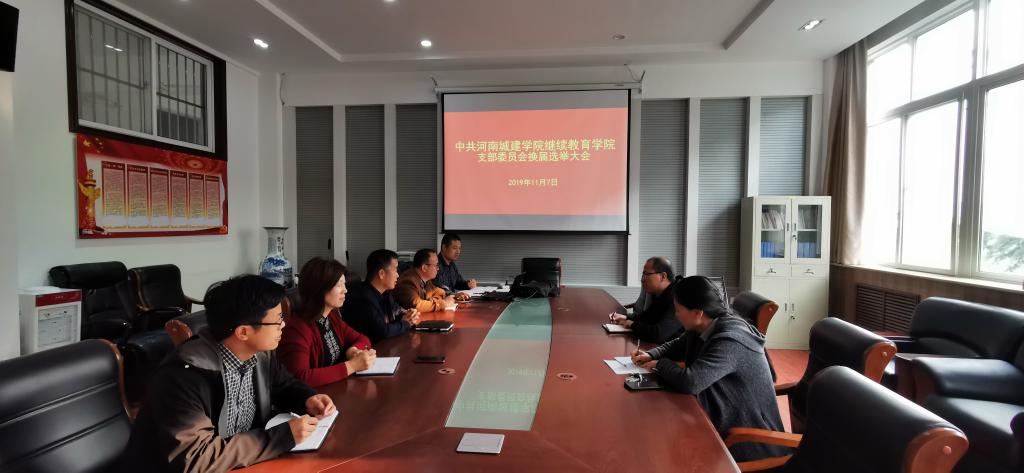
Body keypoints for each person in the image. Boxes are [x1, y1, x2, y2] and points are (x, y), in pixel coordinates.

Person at [119, 275, 336, 473]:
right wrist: (282, 437)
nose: (284, 325)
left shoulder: (259, 354)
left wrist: (307, 399)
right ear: (243, 332)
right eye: (278, 320)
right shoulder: (183, 377)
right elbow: (195, 459)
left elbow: (283, 384)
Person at [631, 275, 786, 463]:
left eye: (678, 310)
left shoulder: (731, 340)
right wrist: (651, 354)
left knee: (662, 449)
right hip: (720, 418)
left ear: (697, 313)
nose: (676, 315)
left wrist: (660, 364)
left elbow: (691, 382)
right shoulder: (706, 325)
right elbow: (679, 343)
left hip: (748, 441)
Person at [278, 257, 377, 387]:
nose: (345, 290)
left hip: (335, 389)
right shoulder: (297, 329)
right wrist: (352, 366)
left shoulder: (331, 317)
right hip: (316, 397)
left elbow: (362, 338)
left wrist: (353, 351)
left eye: (344, 284)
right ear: (320, 289)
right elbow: (300, 377)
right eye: (339, 285)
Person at [342, 249, 420, 342]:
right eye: (395, 270)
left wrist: (409, 315)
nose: (398, 275)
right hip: (368, 348)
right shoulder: (363, 299)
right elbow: (382, 332)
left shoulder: (385, 293)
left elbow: (396, 314)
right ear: (382, 274)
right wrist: (406, 323)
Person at [609, 257, 684, 344]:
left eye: (646, 274)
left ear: (663, 276)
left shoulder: (678, 296)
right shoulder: (661, 293)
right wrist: (626, 317)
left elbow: (658, 335)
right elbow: (647, 317)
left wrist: (632, 324)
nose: (642, 279)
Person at [394, 248, 468, 313]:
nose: (438, 269)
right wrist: (443, 303)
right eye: (436, 265)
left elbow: (439, 292)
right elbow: (416, 305)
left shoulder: (425, 279)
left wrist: (454, 295)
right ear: (424, 268)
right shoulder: (408, 281)